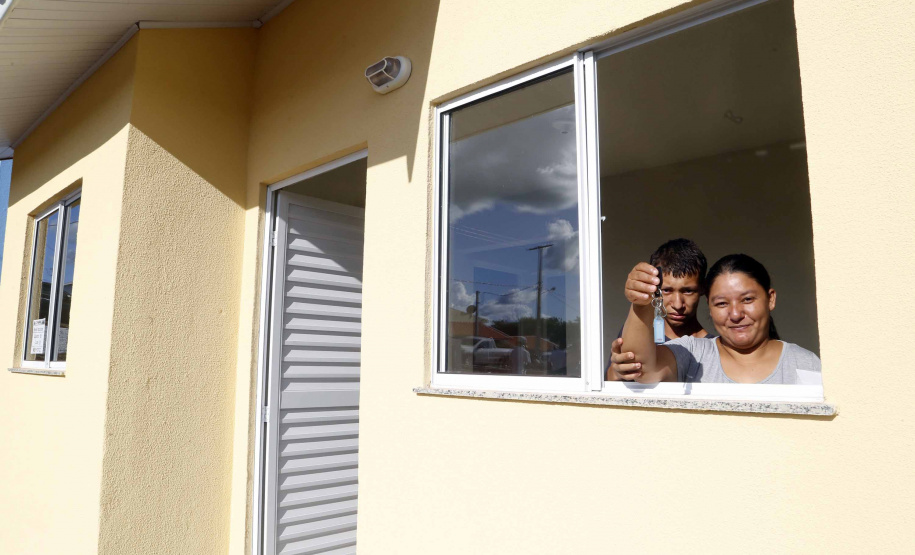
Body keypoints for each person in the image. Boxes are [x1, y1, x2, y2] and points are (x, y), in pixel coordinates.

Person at [619, 253, 821, 384]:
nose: (735, 314)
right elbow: (642, 367)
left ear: (770, 299)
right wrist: (641, 302)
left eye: (747, 299)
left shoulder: (805, 364)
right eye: (722, 303)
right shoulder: (692, 354)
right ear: (709, 307)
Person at [607, 238, 712, 380]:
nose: (677, 304)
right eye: (667, 290)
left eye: (687, 291)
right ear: (654, 288)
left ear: (702, 289)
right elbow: (609, 382)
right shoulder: (640, 330)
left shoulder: (713, 347)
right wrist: (617, 372)